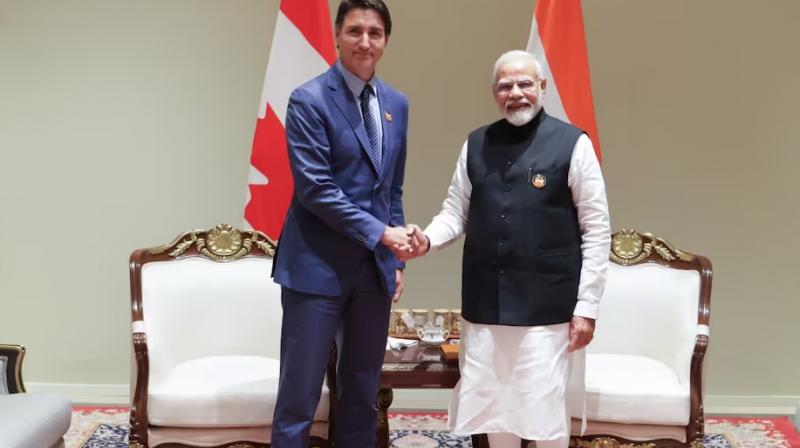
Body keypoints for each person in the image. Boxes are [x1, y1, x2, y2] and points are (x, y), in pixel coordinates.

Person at [403, 50, 611, 448]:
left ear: (542, 88)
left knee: (542, 415)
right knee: (495, 412)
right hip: (486, 308)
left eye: (525, 84)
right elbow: (454, 212)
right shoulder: (476, 143)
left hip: (547, 311)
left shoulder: (573, 144)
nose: (515, 93)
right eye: (505, 86)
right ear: (495, 93)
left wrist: (587, 307)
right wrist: (427, 239)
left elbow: (597, 230)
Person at [270, 1, 412, 446]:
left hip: (373, 272)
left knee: (361, 393)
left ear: (386, 41)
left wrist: (397, 257)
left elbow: (391, 189)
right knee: (300, 398)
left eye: (374, 32)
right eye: (354, 31)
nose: (364, 42)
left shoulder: (397, 104)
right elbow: (316, 190)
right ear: (337, 36)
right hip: (315, 268)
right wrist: (380, 234)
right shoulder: (308, 99)